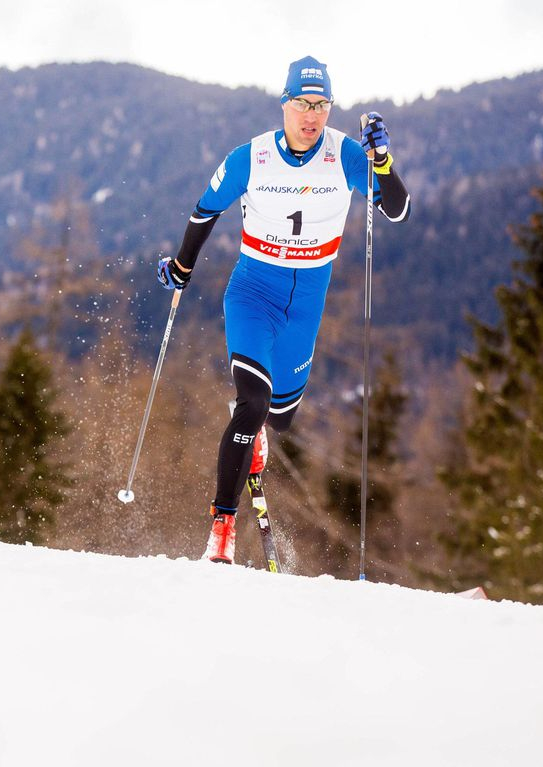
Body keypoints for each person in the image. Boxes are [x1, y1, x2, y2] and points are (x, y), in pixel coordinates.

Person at [156, 55, 411, 565]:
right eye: (302, 104)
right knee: (252, 399)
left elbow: (397, 207)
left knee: (281, 416)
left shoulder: (346, 154)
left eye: (321, 105)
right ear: (285, 105)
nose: (311, 115)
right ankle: (222, 530)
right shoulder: (251, 157)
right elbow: (205, 210)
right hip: (254, 291)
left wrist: (382, 163)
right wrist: (182, 267)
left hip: (306, 306)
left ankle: (262, 431)